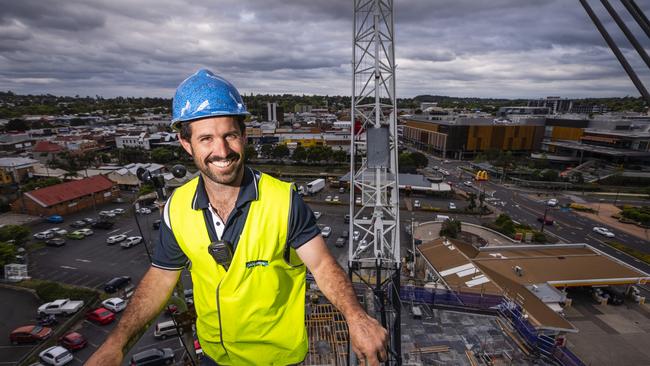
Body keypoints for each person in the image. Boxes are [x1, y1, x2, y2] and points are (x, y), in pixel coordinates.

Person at [87, 69, 388, 365]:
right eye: (206, 139)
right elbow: (162, 276)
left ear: (244, 136)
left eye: (229, 135)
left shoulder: (283, 200)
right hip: (215, 357)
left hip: (275, 360)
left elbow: (322, 264)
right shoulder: (177, 207)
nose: (221, 150)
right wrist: (116, 344)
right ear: (185, 143)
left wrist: (356, 316)